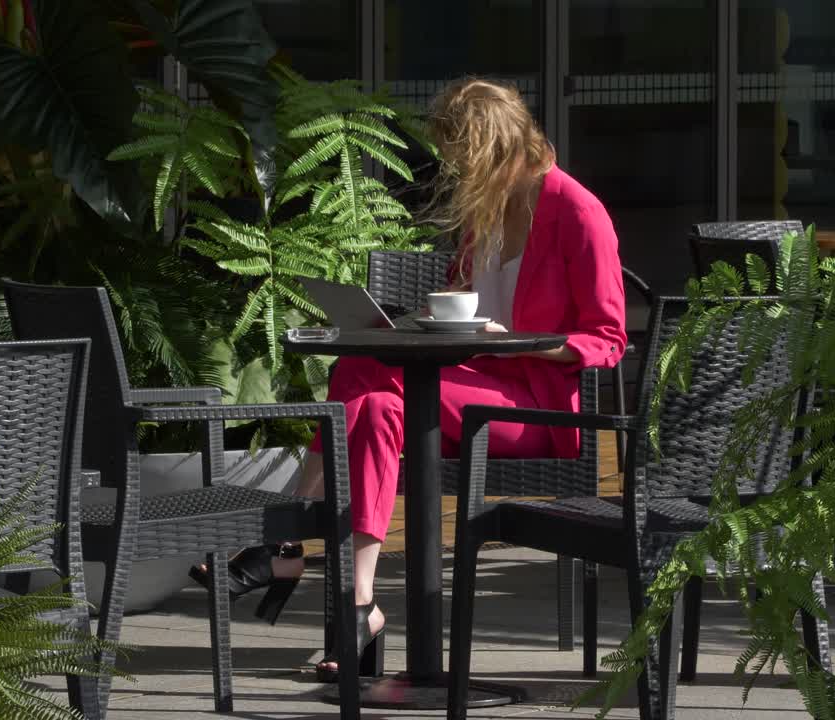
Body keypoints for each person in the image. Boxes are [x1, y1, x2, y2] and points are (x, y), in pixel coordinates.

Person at [189, 77, 627, 682]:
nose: (453, 170)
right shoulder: (488, 211)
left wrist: (518, 343)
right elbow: (466, 296)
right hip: (468, 386)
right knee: (369, 397)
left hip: (536, 407)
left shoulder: (577, 210)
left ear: (492, 146)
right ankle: (359, 604)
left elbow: (608, 340)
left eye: (459, 156)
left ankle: (286, 546)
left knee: (372, 381)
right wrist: (437, 313)